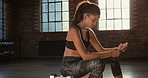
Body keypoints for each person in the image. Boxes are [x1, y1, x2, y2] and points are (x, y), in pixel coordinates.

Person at [60, 1, 128, 78]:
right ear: (85, 16)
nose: (95, 23)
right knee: (97, 63)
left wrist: (117, 49)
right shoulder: (74, 30)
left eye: (96, 20)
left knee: (113, 58)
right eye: (93, 20)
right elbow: (85, 56)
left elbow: (101, 50)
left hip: (82, 64)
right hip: (69, 67)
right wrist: (110, 53)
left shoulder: (89, 32)